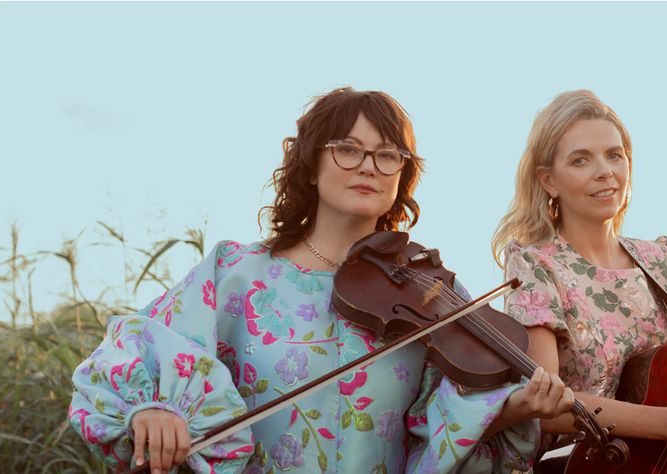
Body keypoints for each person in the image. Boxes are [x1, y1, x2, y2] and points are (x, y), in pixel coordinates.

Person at [68, 87, 573, 474]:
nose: (368, 167)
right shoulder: (234, 273)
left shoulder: (430, 293)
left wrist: (511, 411)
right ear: (311, 165)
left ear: (402, 175)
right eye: (348, 149)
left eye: (387, 155)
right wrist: (153, 410)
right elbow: (140, 351)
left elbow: (445, 430)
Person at [490, 90, 667, 471]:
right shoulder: (536, 265)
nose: (605, 171)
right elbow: (547, 408)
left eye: (614, 155)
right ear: (548, 181)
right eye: (581, 160)